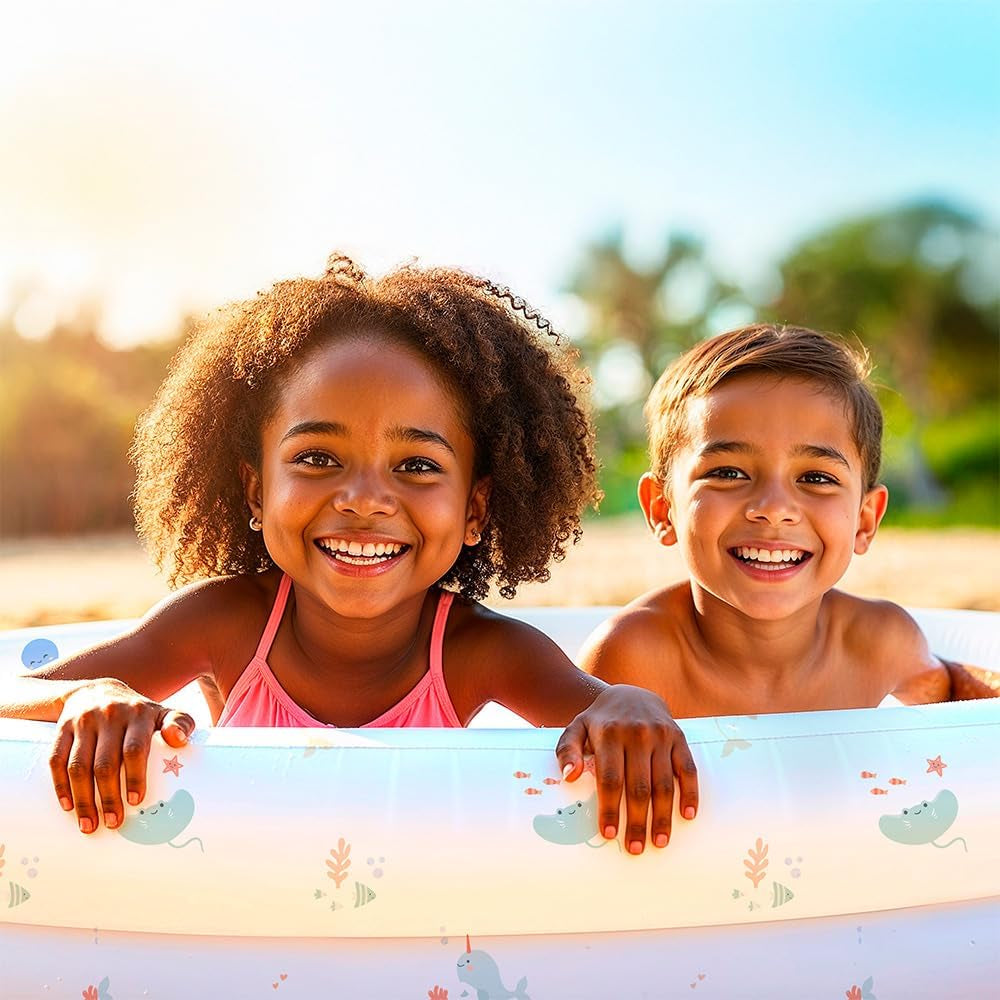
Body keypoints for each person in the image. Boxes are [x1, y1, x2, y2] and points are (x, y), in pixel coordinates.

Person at [0, 254, 697, 856]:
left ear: (476, 508)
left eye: (417, 466)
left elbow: (606, 713)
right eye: (318, 457)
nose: (365, 499)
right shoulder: (222, 622)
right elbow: (11, 698)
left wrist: (629, 704)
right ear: (255, 488)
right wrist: (90, 695)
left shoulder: (485, 651)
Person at [580, 323, 958, 718]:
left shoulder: (882, 642)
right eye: (728, 473)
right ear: (663, 508)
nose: (774, 507)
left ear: (865, 521)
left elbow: (954, 697)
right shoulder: (630, 659)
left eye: (816, 478)